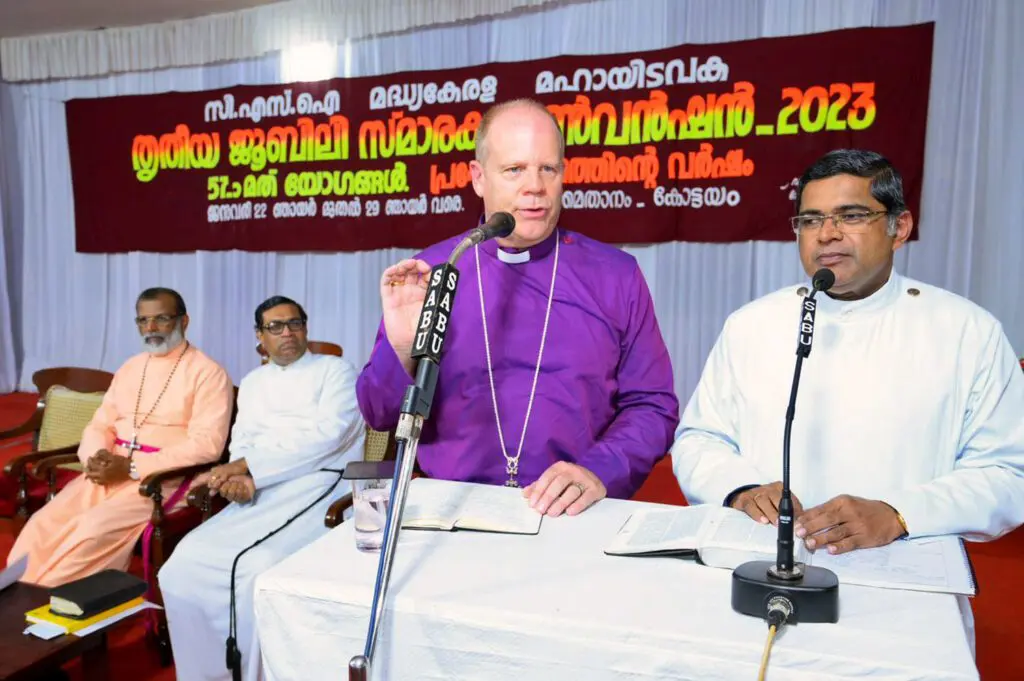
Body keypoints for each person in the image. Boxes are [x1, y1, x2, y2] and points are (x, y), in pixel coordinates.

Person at [672, 149, 1024, 557]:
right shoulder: (752, 324)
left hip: (902, 574)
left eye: (852, 216)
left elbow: (1008, 472)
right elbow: (700, 438)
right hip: (761, 557)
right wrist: (740, 489)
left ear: (900, 226)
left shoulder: (966, 331)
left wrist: (898, 514)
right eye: (810, 220)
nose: (827, 234)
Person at [358, 98, 679, 517]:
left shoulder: (615, 275)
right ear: (478, 178)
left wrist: (600, 471)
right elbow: (379, 414)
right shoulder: (434, 271)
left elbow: (653, 405)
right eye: (514, 170)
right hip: (453, 516)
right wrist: (401, 351)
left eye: (548, 168)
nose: (535, 186)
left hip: (573, 515)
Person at [159, 296, 365, 681]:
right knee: (181, 565)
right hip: (259, 486)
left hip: (318, 484)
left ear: (305, 327)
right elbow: (244, 439)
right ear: (260, 336)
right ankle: (204, 672)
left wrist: (246, 468)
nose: (287, 333)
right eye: (275, 326)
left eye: (295, 324)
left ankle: (255, 674)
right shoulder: (253, 382)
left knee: (255, 568)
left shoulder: (336, 371)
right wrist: (239, 479)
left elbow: (326, 438)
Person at [7, 287, 234, 586]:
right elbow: (100, 424)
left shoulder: (209, 373)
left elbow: (207, 445)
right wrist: (95, 457)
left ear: (184, 321)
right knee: (43, 525)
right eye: (143, 321)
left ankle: (54, 613)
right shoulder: (131, 367)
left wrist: (131, 467)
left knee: (90, 531)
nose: (150, 328)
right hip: (108, 472)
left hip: (159, 481)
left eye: (161, 319)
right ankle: (14, 605)